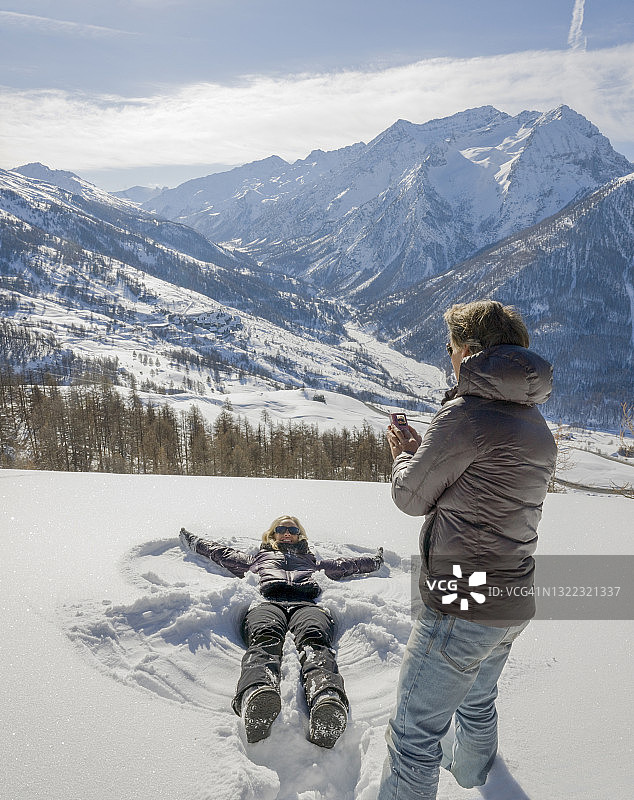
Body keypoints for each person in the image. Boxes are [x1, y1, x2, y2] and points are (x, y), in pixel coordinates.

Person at [377, 300, 557, 800]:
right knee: (477, 702)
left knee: (413, 736)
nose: (448, 354)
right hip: (513, 596)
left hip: (464, 598)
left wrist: (404, 455)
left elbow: (411, 497)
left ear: (472, 352)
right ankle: (480, 779)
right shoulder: (535, 424)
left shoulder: (466, 416)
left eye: (450, 347)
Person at [179, 515, 383, 748]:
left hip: (306, 605)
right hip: (268, 603)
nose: (287, 533)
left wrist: (375, 561)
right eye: (281, 528)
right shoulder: (258, 558)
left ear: (299, 535)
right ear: (272, 533)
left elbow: (345, 565)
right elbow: (221, 554)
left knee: (315, 639)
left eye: (293, 530)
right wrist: (194, 541)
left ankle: (327, 698)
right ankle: (256, 693)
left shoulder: (311, 561)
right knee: (265, 636)